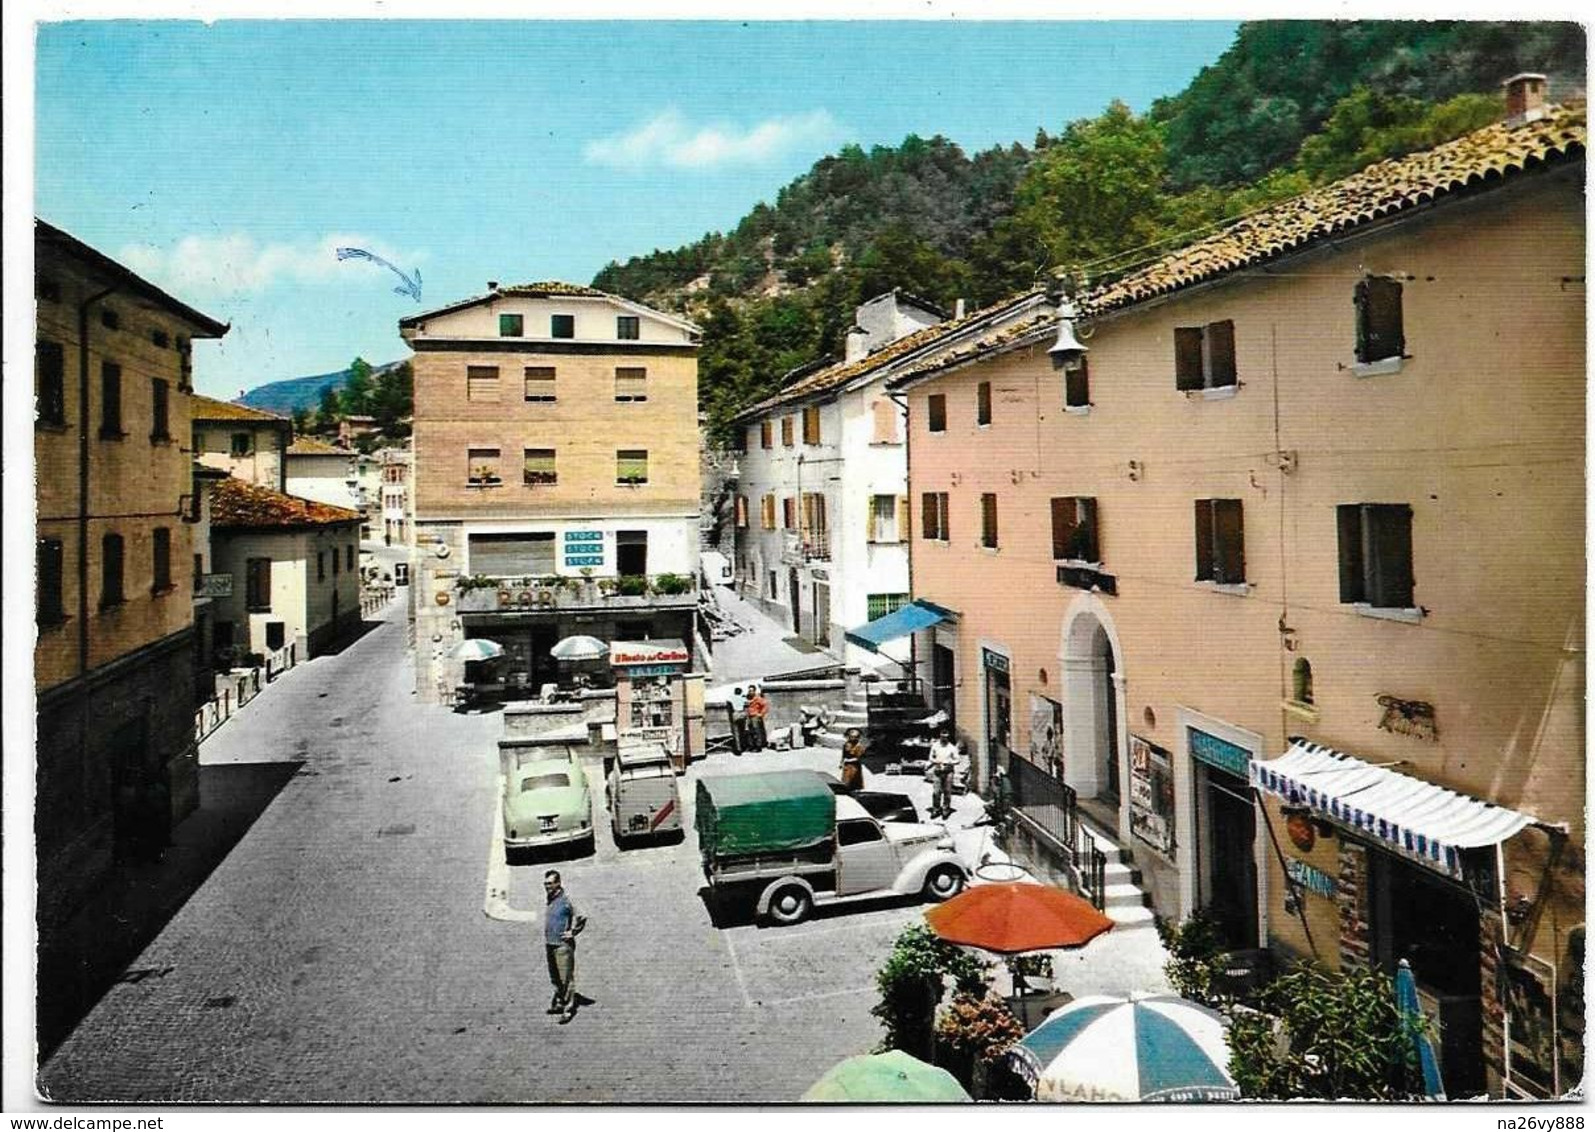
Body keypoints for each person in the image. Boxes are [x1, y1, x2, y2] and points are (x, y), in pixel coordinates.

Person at [543, 870, 586, 1024]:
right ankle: (560, 1002)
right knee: (555, 977)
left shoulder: (567, 899)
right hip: (550, 944)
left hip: (562, 946)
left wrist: (573, 932)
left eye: (550, 883)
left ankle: (568, 1009)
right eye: (545, 883)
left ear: (558, 883)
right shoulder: (550, 897)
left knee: (565, 978)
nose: (547, 886)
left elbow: (581, 916)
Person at [929, 727, 960, 820]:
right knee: (936, 792)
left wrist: (950, 763)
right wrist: (935, 761)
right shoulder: (935, 746)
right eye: (942, 737)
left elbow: (957, 760)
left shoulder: (952, 748)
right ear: (940, 736)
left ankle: (946, 809)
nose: (944, 739)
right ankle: (936, 809)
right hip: (938, 771)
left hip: (948, 772)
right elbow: (931, 757)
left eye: (946, 737)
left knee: (947, 791)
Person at [745, 685, 769, 752]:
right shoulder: (748, 698)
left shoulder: (758, 698)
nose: (750, 692)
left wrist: (761, 714)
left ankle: (758, 746)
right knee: (750, 732)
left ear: (754, 691)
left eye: (752, 691)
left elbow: (765, 705)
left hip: (755, 716)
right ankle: (752, 746)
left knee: (756, 731)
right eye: (749, 691)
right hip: (749, 716)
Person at [727, 686, 749, 753]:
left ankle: (738, 749)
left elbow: (729, 705)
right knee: (742, 731)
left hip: (736, 713)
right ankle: (744, 746)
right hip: (742, 713)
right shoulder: (743, 698)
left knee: (736, 732)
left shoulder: (731, 698)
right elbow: (747, 703)